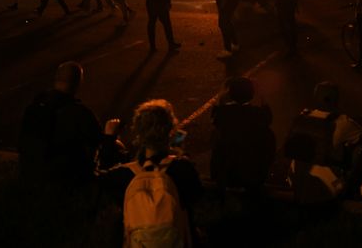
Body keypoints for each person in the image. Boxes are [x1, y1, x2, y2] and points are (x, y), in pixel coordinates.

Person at [103, 99, 203, 247]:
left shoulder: (125, 174)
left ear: (138, 132)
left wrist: (108, 139)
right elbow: (197, 200)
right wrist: (181, 154)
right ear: (170, 131)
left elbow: (100, 178)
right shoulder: (182, 168)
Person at [18, 61, 110, 185]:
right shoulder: (80, 113)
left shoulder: (34, 107)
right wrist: (111, 135)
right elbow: (99, 142)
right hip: (64, 179)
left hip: (31, 174)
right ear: (78, 82)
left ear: (56, 78)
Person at [284, 81, 362, 204]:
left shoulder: (304, 115)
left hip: (294, 178)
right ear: (336, 100)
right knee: (359, 149)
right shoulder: (342, 122)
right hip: (324, 186)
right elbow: (361, 134)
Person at [210, 77, 275, 194]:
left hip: (227, 173)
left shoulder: (224, 113)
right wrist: (261, 94)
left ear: (230, 94)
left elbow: (215, 114)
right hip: (252, 174)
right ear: (251, 94)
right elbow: (268, 116)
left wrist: (221, 94)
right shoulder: (258, 114)